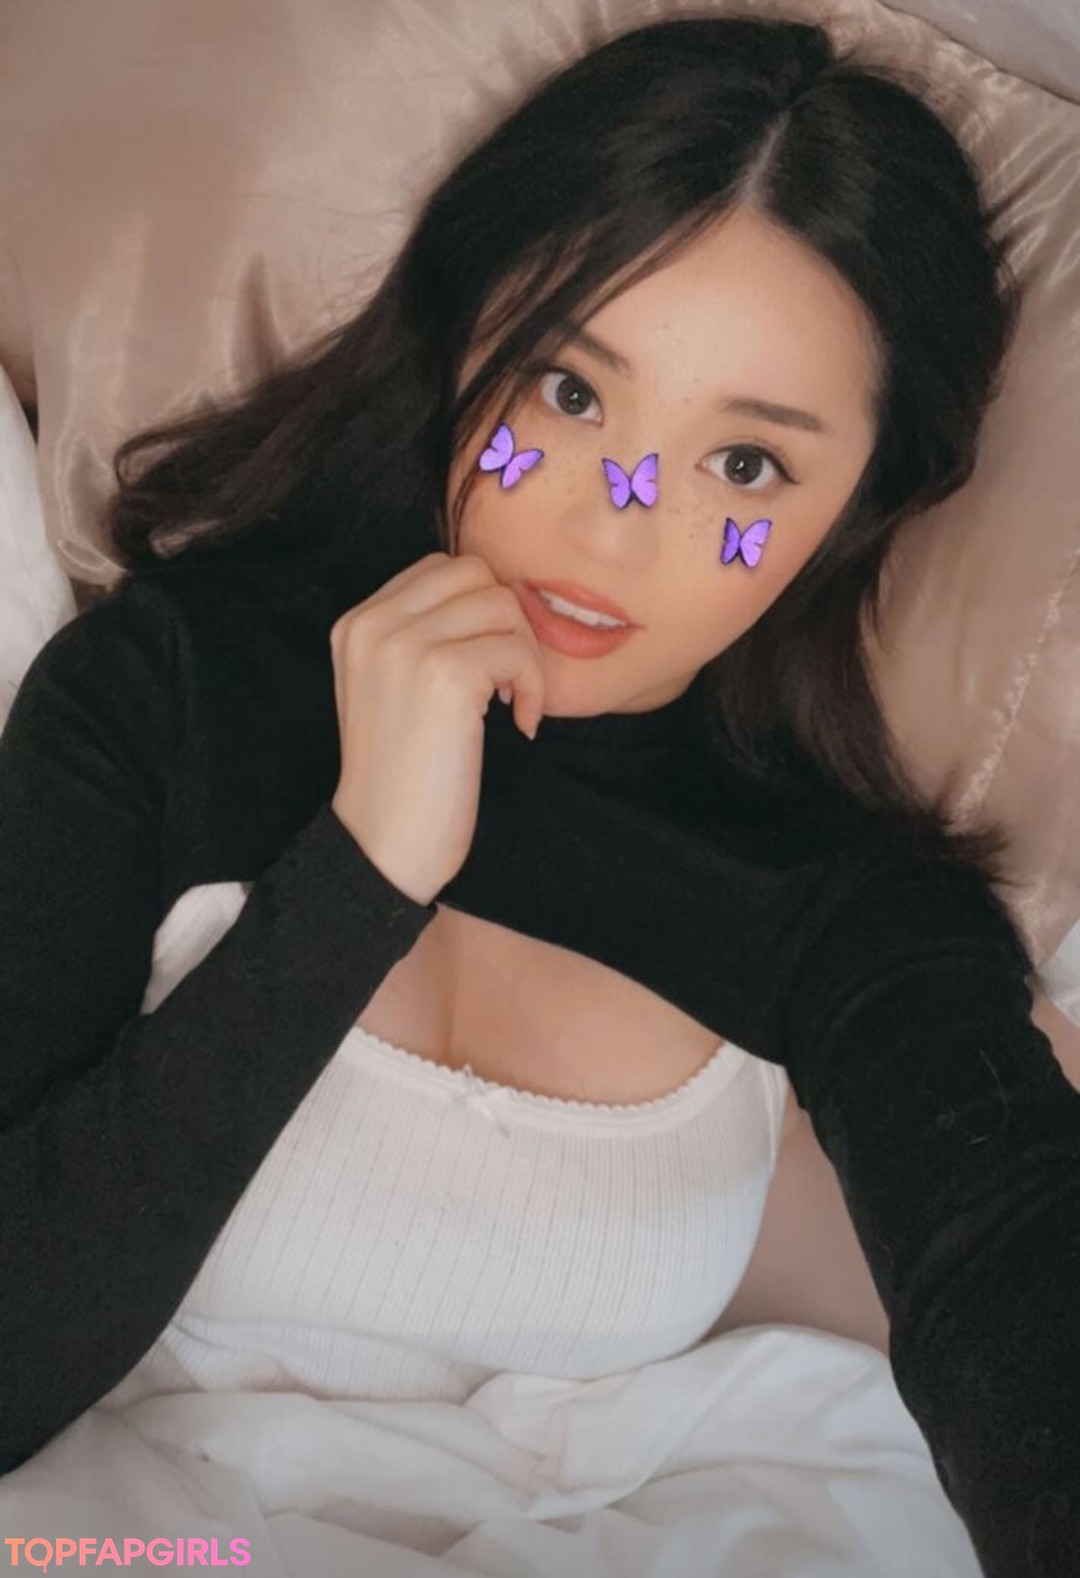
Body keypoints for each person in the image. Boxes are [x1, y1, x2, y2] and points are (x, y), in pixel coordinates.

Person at [0, 13, 1077, 1573]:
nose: (613, 528)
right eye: (571, 393)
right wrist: (364, 869)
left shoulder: (844, 904)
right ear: (467, 331)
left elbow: (1011, 1263)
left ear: (856, 506)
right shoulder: (172, 686)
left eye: (746, 466)